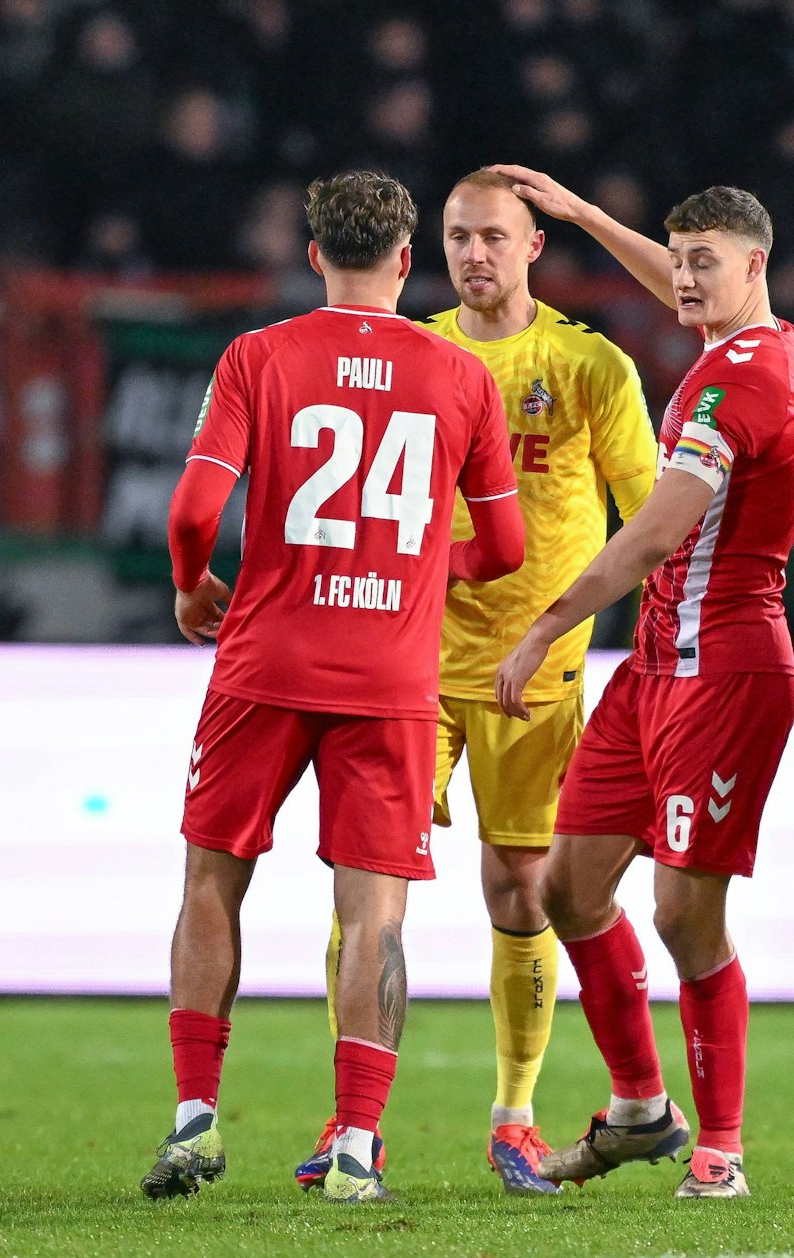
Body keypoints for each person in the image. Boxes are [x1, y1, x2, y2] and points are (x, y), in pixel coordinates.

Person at [144, 170, 525, 1206]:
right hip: (391, 679)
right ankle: (357, 1140)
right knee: (374, 915)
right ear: (408, 259)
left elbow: (189, 512)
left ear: (313, 255)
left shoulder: (258, 356)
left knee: (212, 879)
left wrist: (193, 585)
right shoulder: (460, 378)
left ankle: (192, 1119)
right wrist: (419, 568)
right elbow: (505, 544)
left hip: (264, 663)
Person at [307, 169, 658, 1197]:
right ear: (433, 249)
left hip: (535, 673)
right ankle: (349, 1118)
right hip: (409, 662)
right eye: (458, 237)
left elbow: (647, 516)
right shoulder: (413, 356)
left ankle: (514, 1112)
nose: (476, 254)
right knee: (366, 887)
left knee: (521, 888)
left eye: (495, 237)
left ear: (533, 246)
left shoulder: (588, 364)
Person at [487, 164, 794, 1199]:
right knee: (569, 888)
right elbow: (681, 272)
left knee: (683, 912)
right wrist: (585, 217)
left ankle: (718, 1148)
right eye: (675, 261)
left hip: (725, 671)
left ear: (753, 266)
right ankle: (640, 1107)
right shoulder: (756, 339)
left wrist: (543, 627)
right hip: (654, 673)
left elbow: (652, 535)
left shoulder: (739, 384)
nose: (680, 281)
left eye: (701, 264)